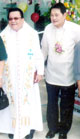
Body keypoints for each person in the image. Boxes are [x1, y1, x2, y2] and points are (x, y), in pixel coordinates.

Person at [0, 8, 44, 139]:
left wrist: (40, 71)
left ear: (22, 19)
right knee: (11, 102)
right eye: (10, 19)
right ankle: (12, 129)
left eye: (16, 18)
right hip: (10, 77)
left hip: (27, 77)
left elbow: (37, 53)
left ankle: (28, 129)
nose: (13, 21)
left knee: (29, 102)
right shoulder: (3, 36)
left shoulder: (32, 34)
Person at [41, 2, 80, 139]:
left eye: (57, 15)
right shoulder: (47, 29)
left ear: (65, 15)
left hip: (68, 76)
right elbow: (44, 51)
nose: (54, 18)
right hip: (51, 74)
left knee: (66, 105)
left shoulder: (75, 29)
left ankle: (64, 130)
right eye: (52, 15)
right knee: (52, 104)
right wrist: (40, 70)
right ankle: (52, 128)